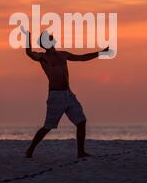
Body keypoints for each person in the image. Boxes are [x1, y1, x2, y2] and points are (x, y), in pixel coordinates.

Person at [23, 29, 109, 158]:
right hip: (55, 96)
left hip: (68, 94)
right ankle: (30, 150)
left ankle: (81, 152)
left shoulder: (63, 54)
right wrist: (28, 37)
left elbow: (81, 58)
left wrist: (101, 53)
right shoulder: (43, 57)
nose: (53, 39)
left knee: (81, 122)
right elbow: (29, 53)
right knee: (48, 126)